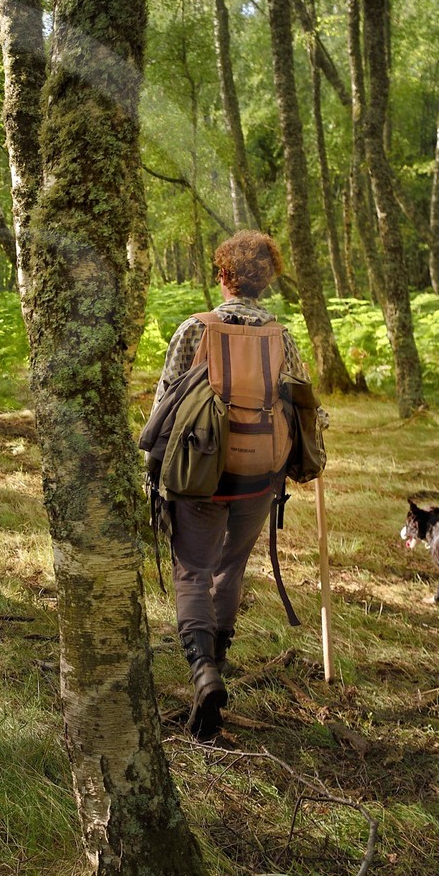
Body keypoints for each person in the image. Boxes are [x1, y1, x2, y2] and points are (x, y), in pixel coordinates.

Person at [154, 231, 314, 740]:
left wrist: (157, 470)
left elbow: (165, 402)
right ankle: (217, 666)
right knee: (230, 569)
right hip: (258, 479)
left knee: (193, 570)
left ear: (224, 276)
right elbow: (304, 404)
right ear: (265, 282)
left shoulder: (194, 330)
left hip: (200, 475)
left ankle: (203, 670)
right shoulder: (282, 337)